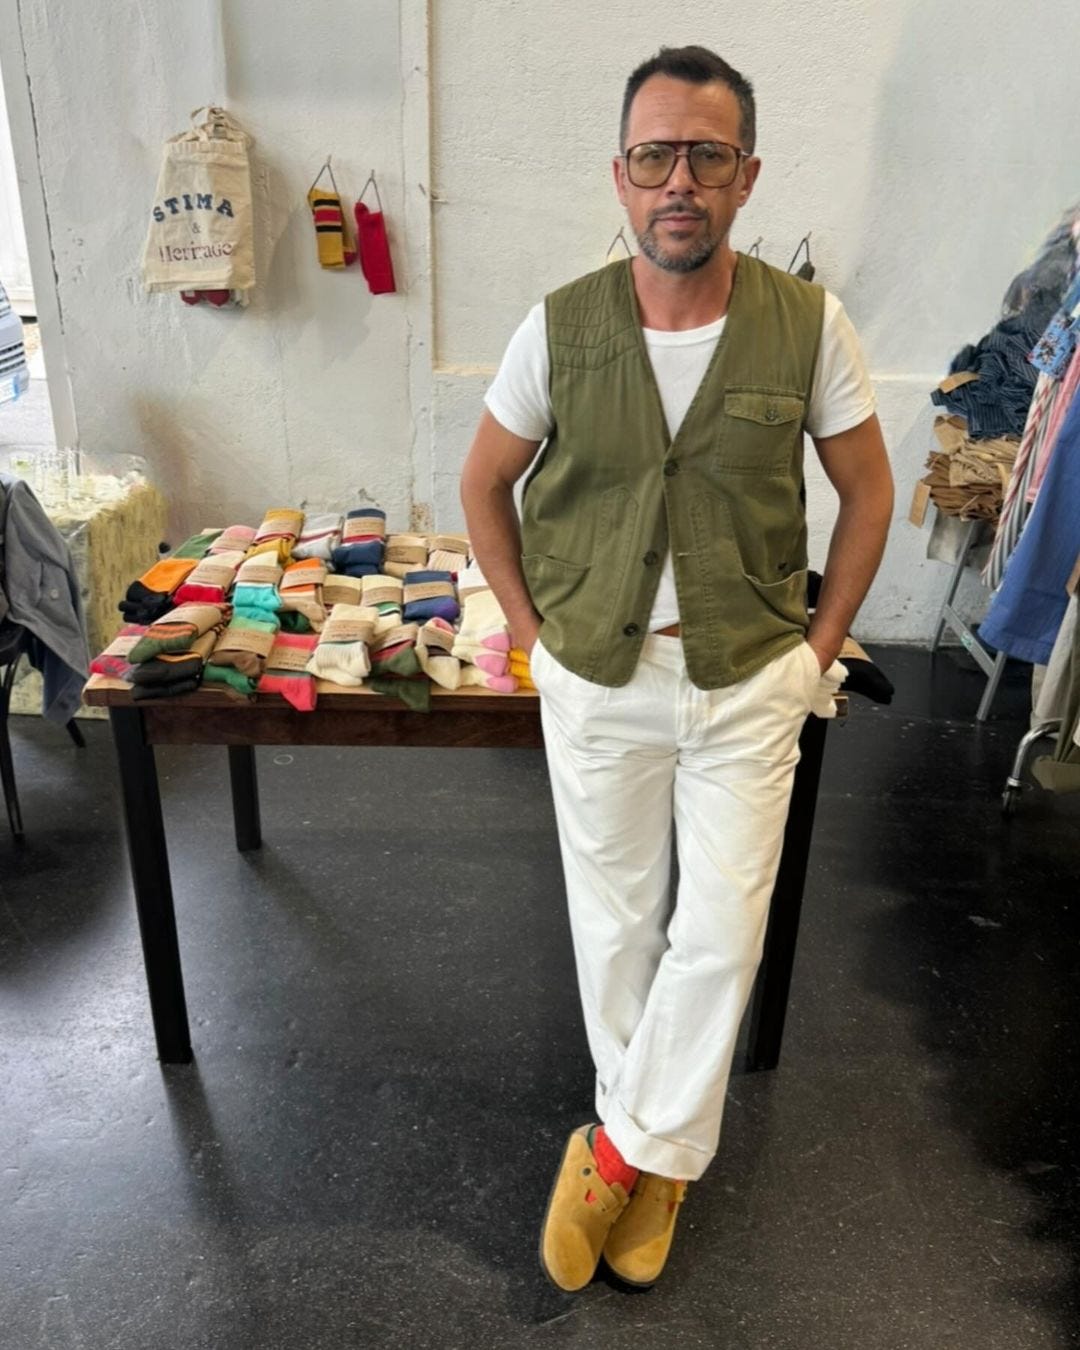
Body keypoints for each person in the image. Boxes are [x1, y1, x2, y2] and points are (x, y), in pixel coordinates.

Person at [459, 45, 894, 1293]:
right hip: (599, 675)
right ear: (621, 176)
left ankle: (619, 1152)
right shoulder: (561, 327)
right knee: (617, 936)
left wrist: (817, 656)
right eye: (656, 156)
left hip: (751, 673)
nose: (679, 182)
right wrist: (531, 636)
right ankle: (654, 1174)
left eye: (707, 154)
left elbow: (868, 494)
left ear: (747, 175)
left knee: (721, 938)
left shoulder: (808, 324)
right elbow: (485, 482)